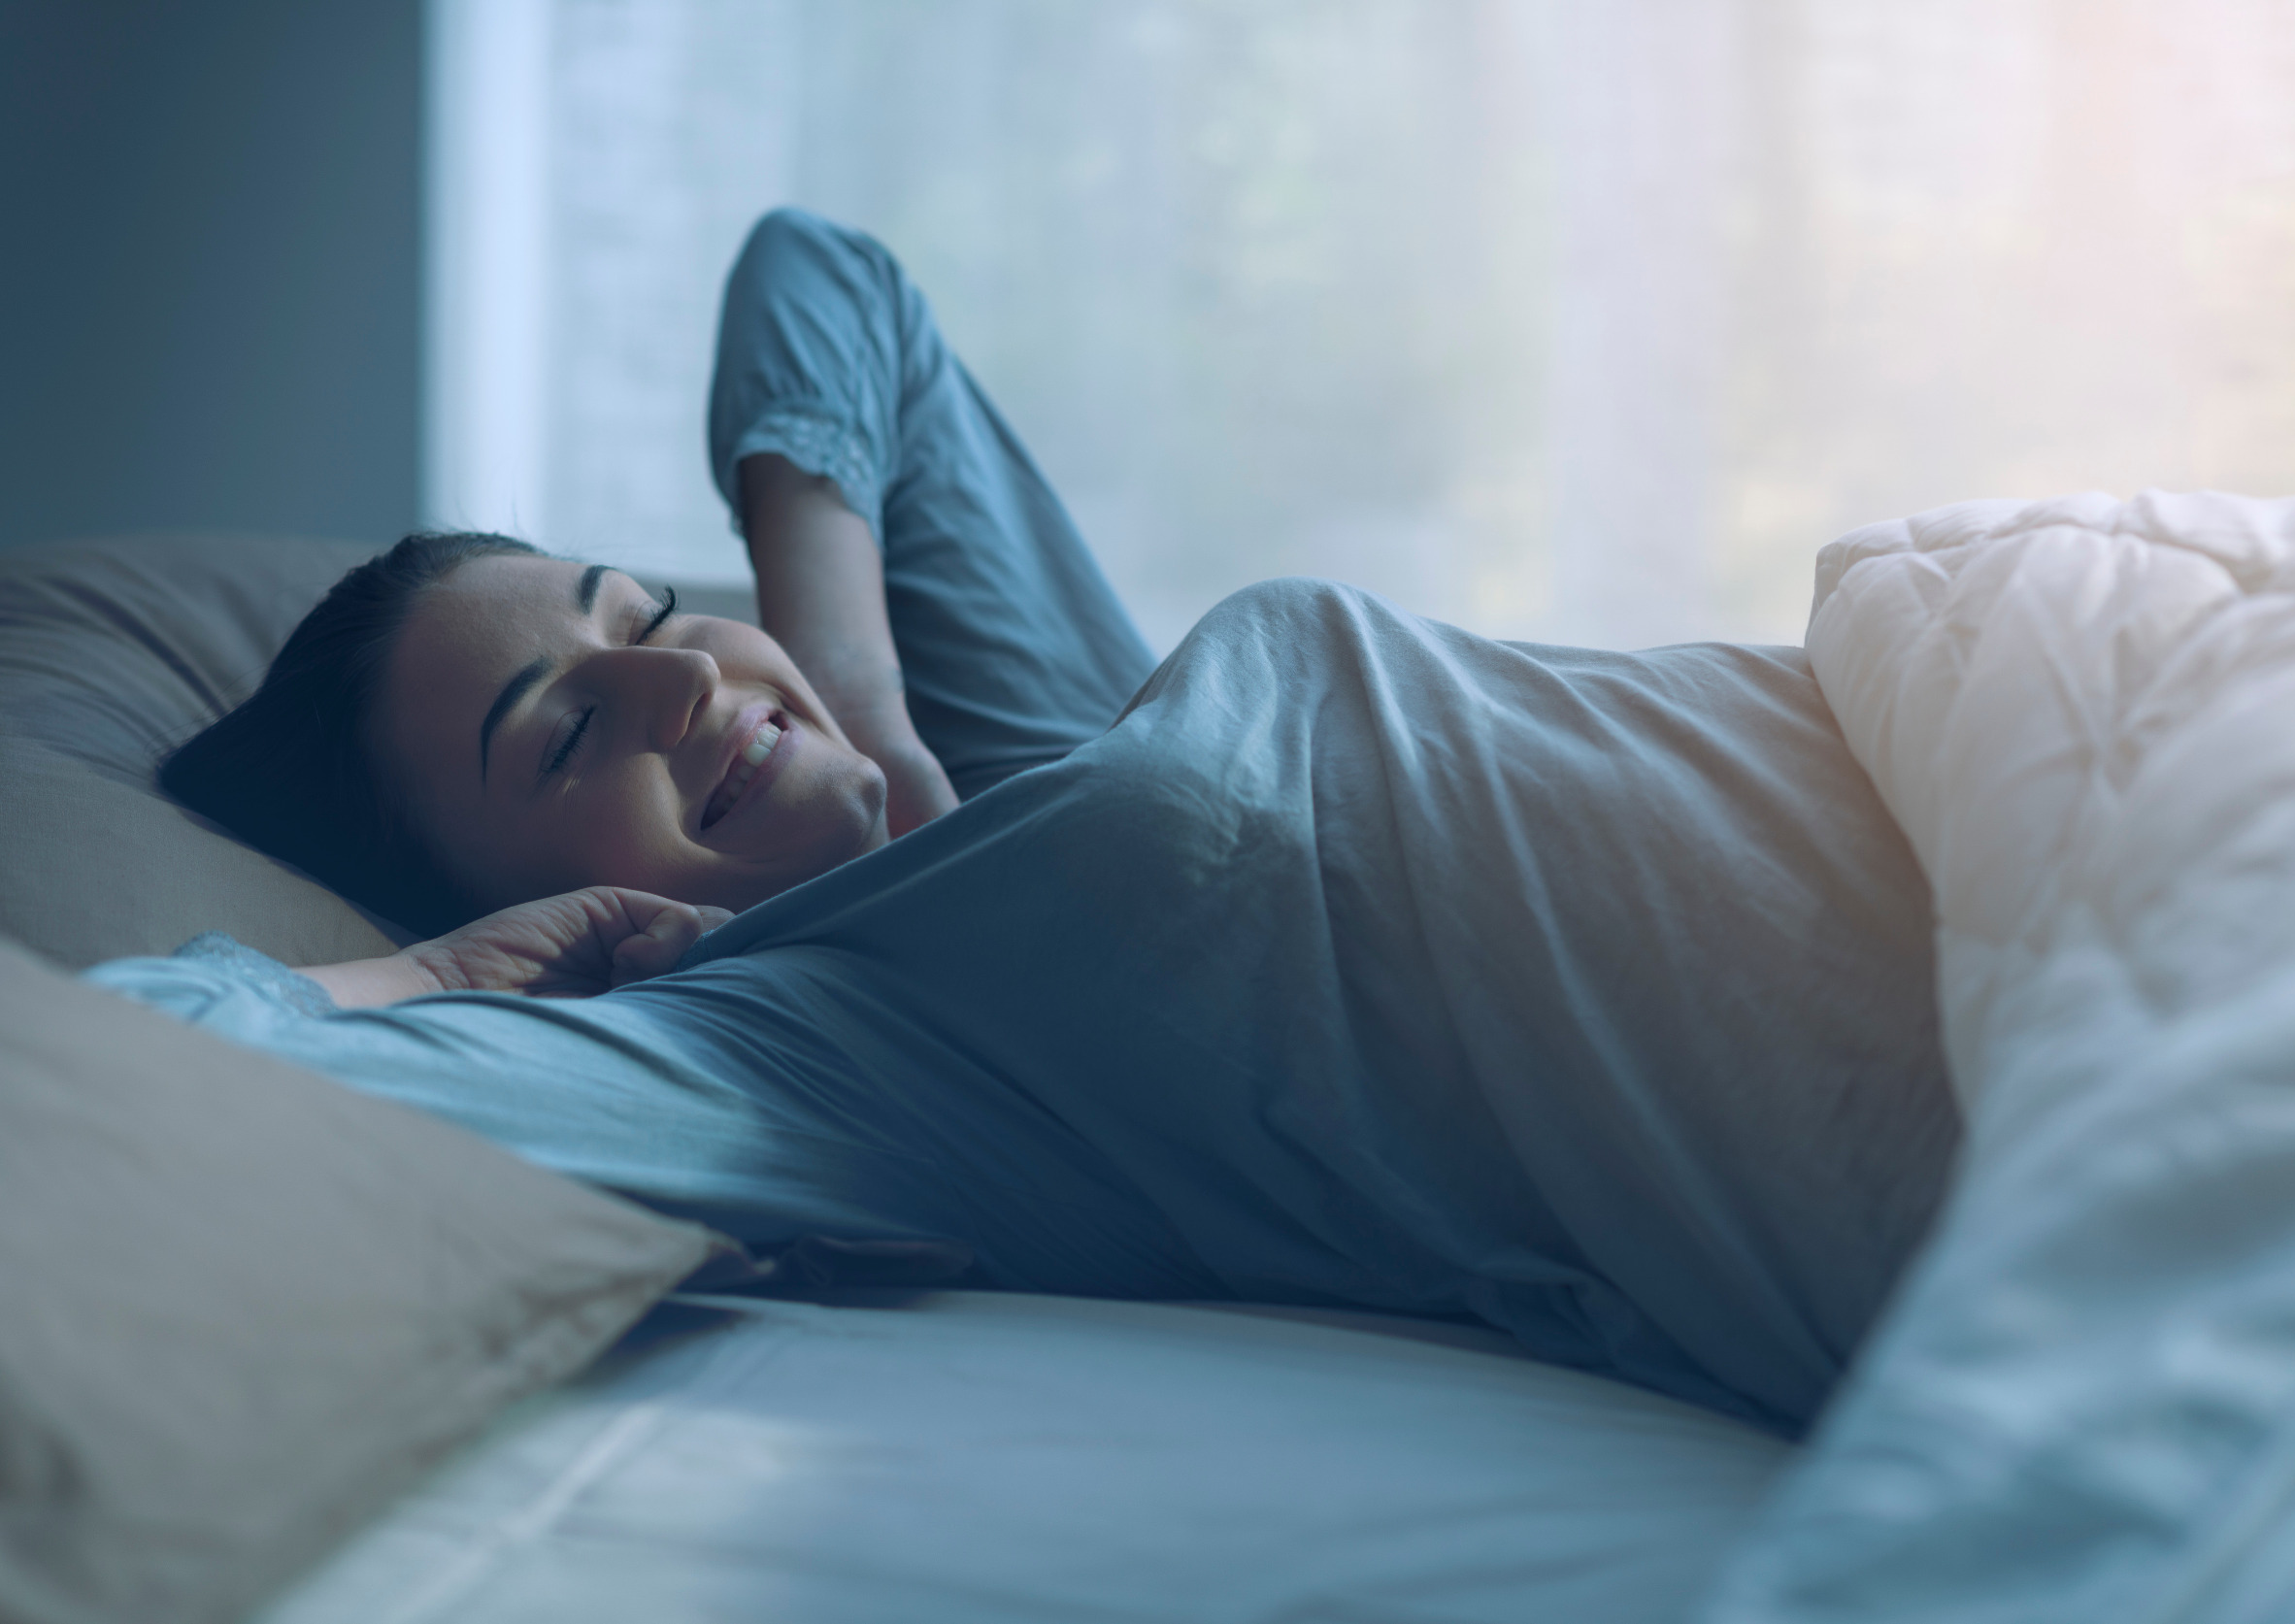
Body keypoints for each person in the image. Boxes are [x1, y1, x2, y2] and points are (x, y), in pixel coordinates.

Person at [107, 210, 1957, 1435]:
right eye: (574, 732)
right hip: (1925, 1069)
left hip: (1934, 780)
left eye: (651, 619)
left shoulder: (1022, 772)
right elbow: (116, 1067)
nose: (684, 690)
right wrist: (441, 978)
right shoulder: (797, 1051)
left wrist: (865, 696)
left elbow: (829, 282)